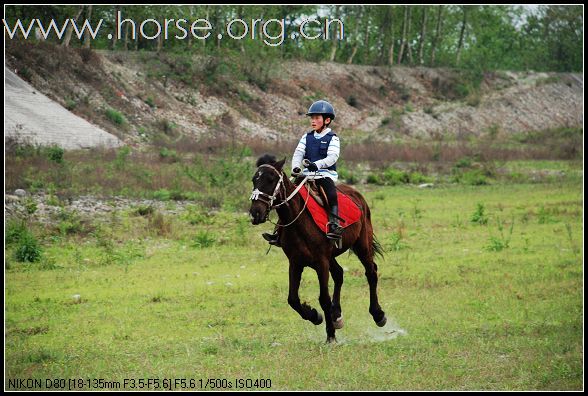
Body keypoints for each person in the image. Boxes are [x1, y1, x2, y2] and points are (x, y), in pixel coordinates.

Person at [263, 99, 343, 245]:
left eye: (317, 118)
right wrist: (295, 167)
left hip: (325, 175)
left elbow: (332, 157)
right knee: (287, 197)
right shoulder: (307, 137)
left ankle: (334, 225)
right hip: (306, 175)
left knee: (331, 194)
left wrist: (317, 165)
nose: (313, 121)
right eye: (312, 118)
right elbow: (298, 153)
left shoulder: (333, 138)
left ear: (327, 120)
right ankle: (279, 232)